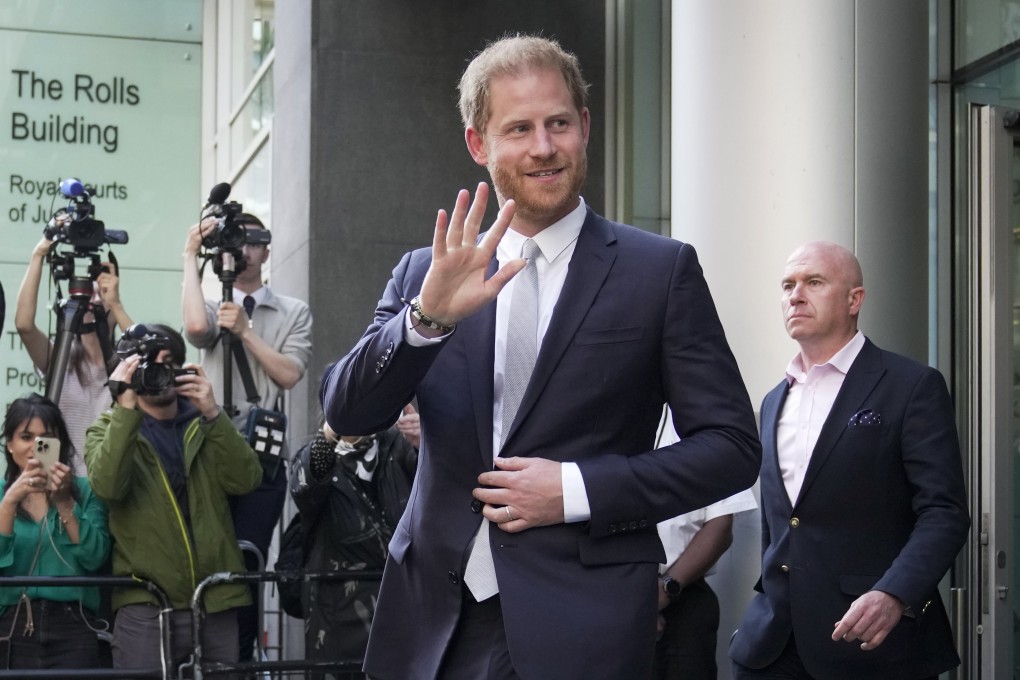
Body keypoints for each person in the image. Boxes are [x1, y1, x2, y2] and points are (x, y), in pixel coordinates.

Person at [320, 35, 761, 679]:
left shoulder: (659, 272)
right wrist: (426, 319)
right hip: (431, 623)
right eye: (519, 128)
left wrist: (577, 489)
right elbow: (347, 409)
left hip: (585, 622)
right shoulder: (427, 272)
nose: (544, 147)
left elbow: (731, 448)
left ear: (585, 126)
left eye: (558, 123)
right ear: (479, 144)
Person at [728, 241, 971, 680]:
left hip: (872, 645)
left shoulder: (911, 386)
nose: (795, 295)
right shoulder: (772, 401)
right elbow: (780, 521)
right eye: (788, 285)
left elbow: (944, 513)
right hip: (771, 648)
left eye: (814, 282)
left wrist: (894, 594)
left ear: (854, 299)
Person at [84, 323, 262, 673]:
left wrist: (213, 413)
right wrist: (124, 409)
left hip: (215, 599)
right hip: (146, 602)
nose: (159, 371)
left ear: (182, 367)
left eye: (167, 362)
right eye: (148, 363)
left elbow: (247, 481)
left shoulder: (209, 423)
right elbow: (107, 487)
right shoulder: (108, 429)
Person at [182, 213, 312, 661]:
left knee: (248, 556)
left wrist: (245, 331)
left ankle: (241, 656)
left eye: (252, 241)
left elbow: (289, 374)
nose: (242, 250)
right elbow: (197, 332)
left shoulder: (292, 310)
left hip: (263, 453)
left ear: (266, 250)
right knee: (207, 554)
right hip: (209, 443)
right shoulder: (211, 301)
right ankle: (203, 653)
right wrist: (188, 256)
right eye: (233, 242)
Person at [289, 420, 418, 675]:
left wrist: (425, 442)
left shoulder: (397, 444)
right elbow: (303, 487)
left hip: (398, 596)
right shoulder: (319, 451)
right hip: (334, 604)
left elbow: (441, 484)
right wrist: (331, 429)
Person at [0, 394, 110, 670]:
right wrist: (9, 503)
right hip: (12, 625)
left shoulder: (85, 491)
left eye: (45, 438)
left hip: (74, 624)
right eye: (26, 437)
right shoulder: (3, 497)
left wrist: (64, 502)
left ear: (59, 444)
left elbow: (95, 557)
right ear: (9, 444)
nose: (35, 447)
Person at [16, 236, 133, 474]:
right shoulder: (61, 358)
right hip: (61, 482)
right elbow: (24, 326)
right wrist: (38, 255)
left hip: (111, 483)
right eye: (89, 294)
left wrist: (116, 305)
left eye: (102, 293)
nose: (95, 301)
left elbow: (148, 355)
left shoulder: (126, 364)